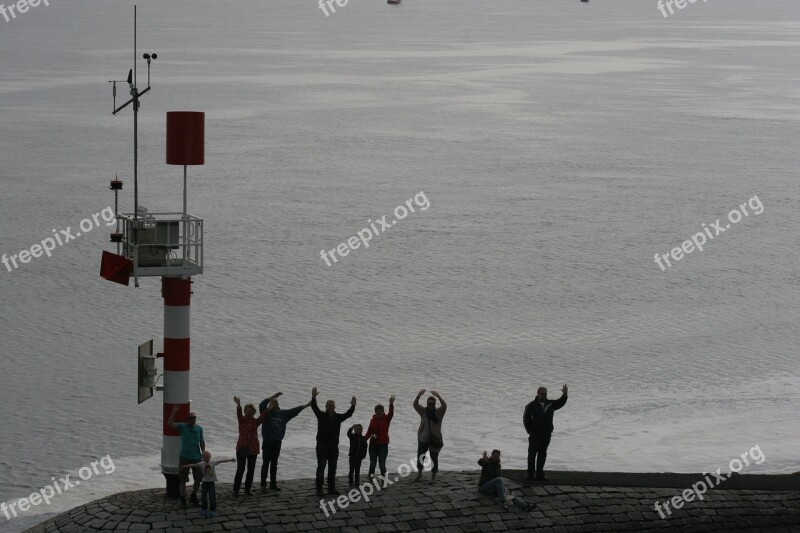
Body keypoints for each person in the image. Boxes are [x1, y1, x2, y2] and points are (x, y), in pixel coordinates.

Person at [258, 391, 312, 491]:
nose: (274, 406)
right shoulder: (265, 414)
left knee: (274, 463)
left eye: (276, 404)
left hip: (277, 442)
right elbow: (261, 404)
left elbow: (295, 410)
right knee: (266, 463)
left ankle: (273, 484)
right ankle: (263, 484)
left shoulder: (283, 414)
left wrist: (308, 405)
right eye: (272, 404)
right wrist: (273, 397)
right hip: (267, 442)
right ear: (269, 405)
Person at [311, 387, 356, 496]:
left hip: (334, 446)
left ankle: (331, 488)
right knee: (321, 467)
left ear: (334, 407)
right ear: (326, 407)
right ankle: (319, 489)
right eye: (329, 405)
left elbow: (348, 414)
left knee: (333, 468)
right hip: (322, 445)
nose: (331, 407)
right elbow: (314, 407)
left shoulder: (338, 417)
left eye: (332, 405)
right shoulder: (321, 415)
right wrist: (313, 397)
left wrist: (353, 405)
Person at [523, 384, 568, 481]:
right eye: (542, 393)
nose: (544, 395)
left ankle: (540, 474)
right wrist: (529, 431)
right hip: (535, 434)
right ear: (538, 394)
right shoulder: (531, 406)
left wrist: (564, 395)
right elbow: (525, 419)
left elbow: (560, 403)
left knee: (542, 454)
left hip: (546, 434)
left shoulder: (550, 404)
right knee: (532, 454)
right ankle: (530, 474)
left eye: (545, 393)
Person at [168, 405, 205, 508]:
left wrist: (203, 452)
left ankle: (193, 496)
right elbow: (170, 424)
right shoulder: (183, 426)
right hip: (184, 457)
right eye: (190, 418)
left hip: (197, 457)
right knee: (183, 480)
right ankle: (183, 499)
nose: (193, 420)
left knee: (198, 479)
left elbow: (202, 441)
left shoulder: (199, 428)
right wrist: (174, 411)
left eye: (194, 418)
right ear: (187, 419)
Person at [181, 451, 235, 517]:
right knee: (203, 497)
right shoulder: (202, 464)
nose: (206, 458)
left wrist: (231, 460)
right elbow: (193, 465)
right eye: (205, 457)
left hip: (211, 483)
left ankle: (213, 509)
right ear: (202, 458)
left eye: (208, 457)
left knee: (212, 496)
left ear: (210, 457)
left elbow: (221, 461)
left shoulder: (213, 463)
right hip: (204, 483)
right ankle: (204, 509)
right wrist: (184, 466)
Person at [233, 395, 268, 496]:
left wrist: (269, 408)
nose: (250, 412)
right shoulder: (242, 420)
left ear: (254, 412)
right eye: (248, 411)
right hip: (242, 447)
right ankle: (236, 490)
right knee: (240, 469)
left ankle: (247, 489)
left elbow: (263, 416)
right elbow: (239, 414)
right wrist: (238, 405)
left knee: (251, 470)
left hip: (253, 448)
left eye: (252, 411)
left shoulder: (255, 421)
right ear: (245, 411)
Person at [413, 389, 446, 484]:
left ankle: (433, 477)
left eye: (433, 404)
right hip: (423, 438)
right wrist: (418, 396)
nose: (431, 405)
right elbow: (415, 405)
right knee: (420, 456)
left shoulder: (439, 413)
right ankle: (419, 474)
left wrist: (439, 397)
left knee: (434, 458)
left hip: (434, 439)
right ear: (427, 403)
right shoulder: (423, 411)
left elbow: (444, 406)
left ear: (435, 404)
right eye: (429, 403)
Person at [364, 395, 395, 479]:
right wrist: (363, 440)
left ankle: (384, 478)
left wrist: (391, 404)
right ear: (375, 412)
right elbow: (369, 432)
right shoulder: (372, 420)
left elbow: (391, 413)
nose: (379, 413)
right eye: (377, 411)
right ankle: (370, 478)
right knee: (372, 463)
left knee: (382, 464)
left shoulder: (386, 419)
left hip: (383, 445)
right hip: (373, 445)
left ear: (383, 412)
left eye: (380, 411)